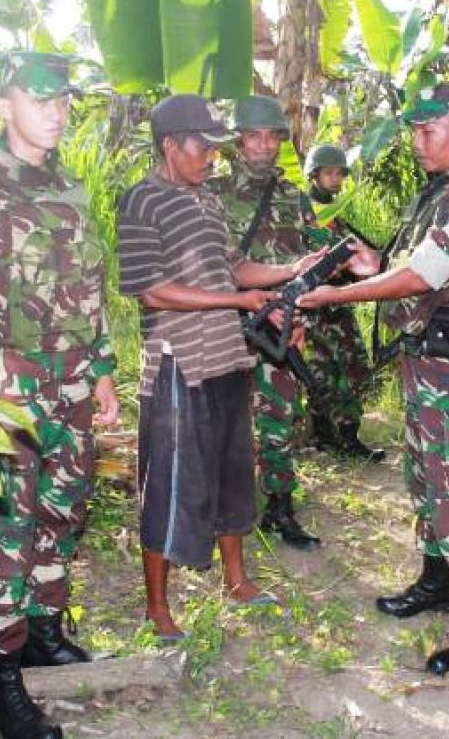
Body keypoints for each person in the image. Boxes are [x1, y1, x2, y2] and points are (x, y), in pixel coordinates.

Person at [0, 51, 119, 739]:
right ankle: (1, 683)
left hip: (69, 388)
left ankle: (41, 629)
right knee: (6, 529)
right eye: (41, 99)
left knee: (62, 514)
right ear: (5, 105)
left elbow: (87, 295)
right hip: (5, 398)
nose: (57, 111)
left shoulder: (69, 190)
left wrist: (101, 370)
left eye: (64, 99)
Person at [299, 84, 449, 678]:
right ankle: (436, 578)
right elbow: (412, 264)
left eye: (430, 131)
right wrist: (372, 264)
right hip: (428, 364)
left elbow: (423, 276)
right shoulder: (439, 193)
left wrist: (338, 293)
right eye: (414, 132)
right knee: (426, 479)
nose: (418, 143)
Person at [117, 94, 330, 641]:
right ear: (170, 146)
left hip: (227, 359)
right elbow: (152, 291)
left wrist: (290, 268)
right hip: (177, 364)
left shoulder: (207, 201)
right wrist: (233, 304)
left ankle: (236, 580)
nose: (213, 157)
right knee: (168, 484)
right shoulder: (141, 201)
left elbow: (233, 267)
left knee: (233, 477)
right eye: (203, 147)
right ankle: (157, 608)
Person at [207, 96, 329, 549]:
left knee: (279, 418)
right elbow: (203, 265)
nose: (262, 145)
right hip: (223, 323)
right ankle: (221, 512)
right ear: (237, 141)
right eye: (253, 136)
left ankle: (279, 505)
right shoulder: (212, 194)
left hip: (281, 327)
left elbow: (314, 266)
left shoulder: (296, 199)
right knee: (222, 418)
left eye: (271, 136)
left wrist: (303, 320)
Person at [301, 143, 384, 462]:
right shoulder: (306, 212)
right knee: (327, 369)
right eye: (329, 173)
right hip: (315, 303)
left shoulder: (334, 215)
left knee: (348, 367)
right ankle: (328, 434)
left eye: (339, 173)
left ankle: (344, 435)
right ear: (313, 175)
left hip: (336, 301)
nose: (335, 180)